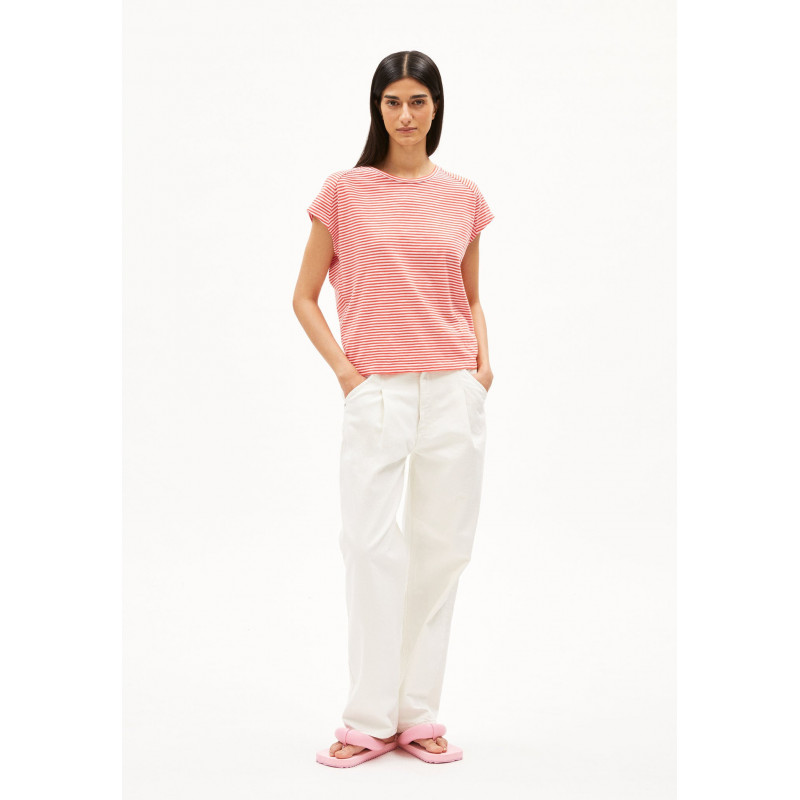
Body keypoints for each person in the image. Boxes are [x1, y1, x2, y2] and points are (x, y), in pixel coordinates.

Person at [293, 50, 495, 768]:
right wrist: (349, 375)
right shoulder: (345, 191)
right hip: (376, 389)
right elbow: (304, 296)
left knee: (443, 552)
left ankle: (418, 714)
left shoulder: (463, 197)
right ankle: (367, 718)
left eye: (418, 101)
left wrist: (482, 368)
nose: (406, 115)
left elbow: (469, 295)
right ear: (376, 109)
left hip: (452, 389)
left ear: (436, 107)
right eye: (393, 102)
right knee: (370, 547)